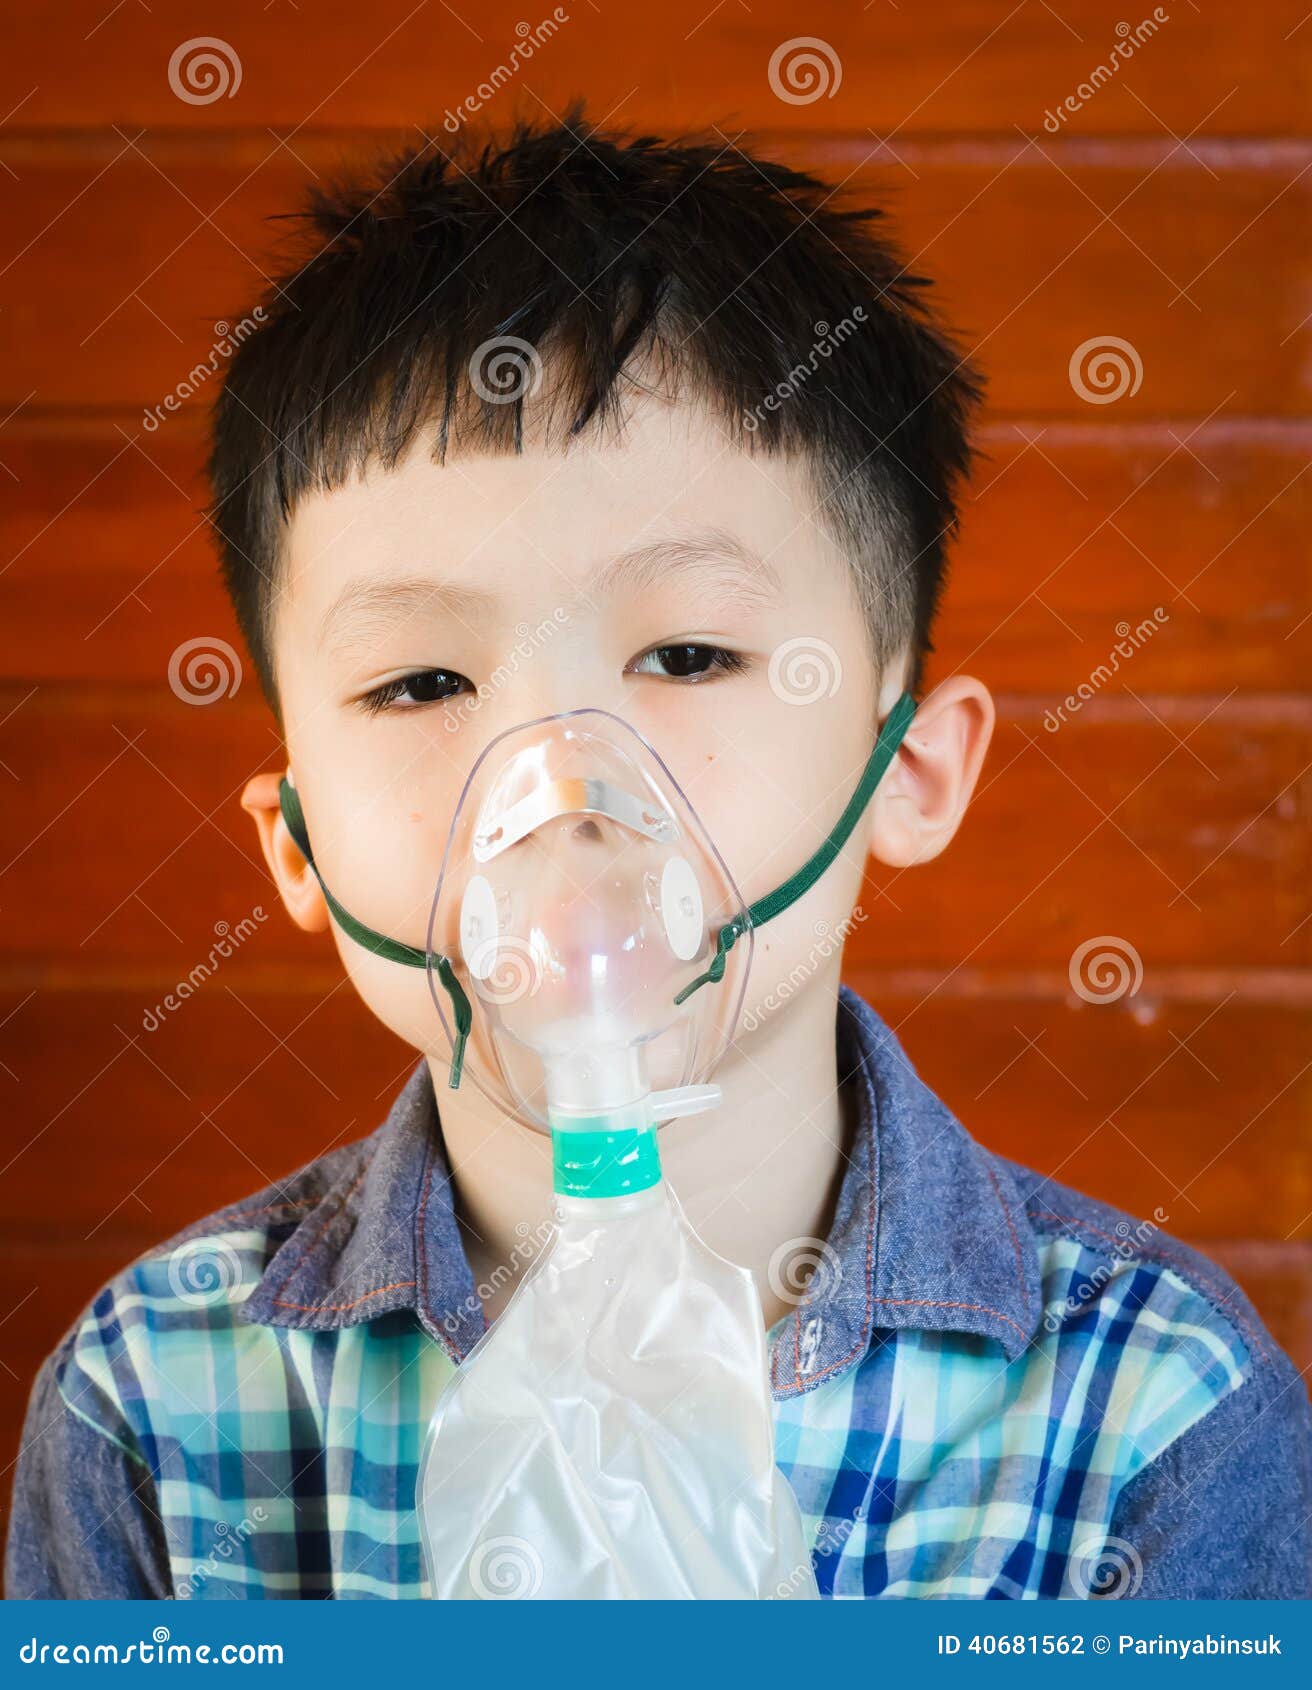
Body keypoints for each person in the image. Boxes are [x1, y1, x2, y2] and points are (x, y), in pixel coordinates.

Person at [9, 111, 1309, 1600]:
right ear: (294, 841)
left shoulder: (1151, 1415)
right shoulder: (157, 1411)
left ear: (912, 771)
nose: (561, 791)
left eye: (687, 652)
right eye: (422, 683)